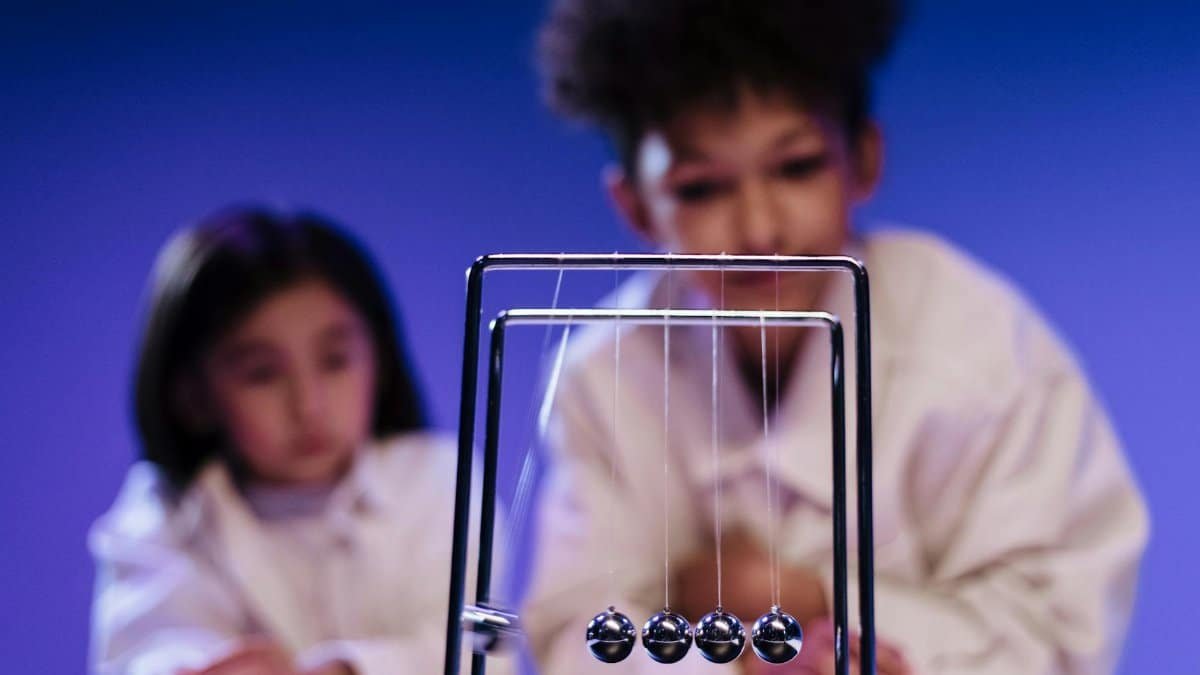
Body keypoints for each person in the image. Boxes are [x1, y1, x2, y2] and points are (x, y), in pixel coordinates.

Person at [522, 1, 1148, 674]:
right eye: (702, 188)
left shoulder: (981, 345)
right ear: (636, 207)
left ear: (864, 159)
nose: (760, 231)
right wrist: (734, 661)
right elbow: (574, 634)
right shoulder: (604, 372)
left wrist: (806, 597)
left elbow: (1061, 626)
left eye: (796, 167)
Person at [89, 206, 504, 674]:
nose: (309, 405)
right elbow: (143, 653)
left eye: (335, 361)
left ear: (380, 360)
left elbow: (484, 651)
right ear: (193, 397)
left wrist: (338, 670)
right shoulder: (162, 515)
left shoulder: (436, 480)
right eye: (262, 374)